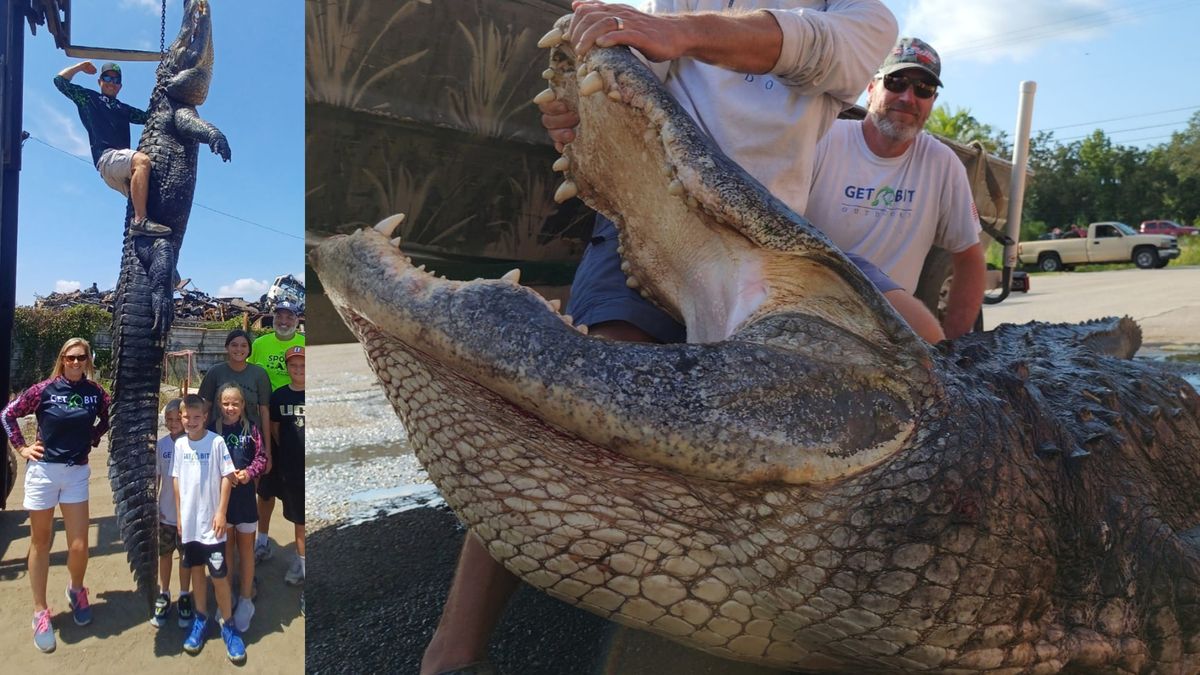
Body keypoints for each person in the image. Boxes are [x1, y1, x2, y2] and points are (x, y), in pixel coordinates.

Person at [423, 2, 898, 673]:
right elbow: (626, 75)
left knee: (770, 436)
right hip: (649, 208)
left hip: (760, 239)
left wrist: (678, 33)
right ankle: (452, 651)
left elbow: (829, 49)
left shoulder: (862, 14)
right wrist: (579, 118)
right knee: (585, 388)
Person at [806, 37, 986, 340]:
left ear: (932, 102)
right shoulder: (821, 141)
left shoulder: (942, 164)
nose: (908, 97)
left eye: (923, 89)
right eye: (897, 81)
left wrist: (957, 352)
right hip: (810, 318)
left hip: (891, 336)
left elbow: (969, 257)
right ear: (872, 88)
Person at [2, 338, 110, 653]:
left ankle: (76, 591)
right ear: (62, 359)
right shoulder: (44, 389)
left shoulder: (96, 393)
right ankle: (40, 611)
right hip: (44, 472)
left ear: (88, 360)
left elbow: (109, 416)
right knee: (41, 542)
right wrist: (22, 447)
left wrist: (94, 436)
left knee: (78, 545)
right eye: (71, 357)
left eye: (82, 357)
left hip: (76, 472)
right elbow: (8, 415)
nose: (76, 362)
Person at [54, 61, 170, 237]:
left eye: (116, 80)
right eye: (107, 78)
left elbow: (150, 117)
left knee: (153, 200)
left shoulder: (123, 109)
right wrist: (80, 67)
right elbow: (59, 81)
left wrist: (164, 90)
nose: (111, 82)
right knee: (142, 161)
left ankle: (144, 231)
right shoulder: (89, 98)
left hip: (120, 168)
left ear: (120, 86)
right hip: (107, 159)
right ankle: (139, 221)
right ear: (100, 81)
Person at [172, 394, 245, 663]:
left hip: (212, 526)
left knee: (219, 575)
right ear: (181, 418)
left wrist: (221, 512)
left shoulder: (216, 442)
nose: (191, 422)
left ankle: (229, 625)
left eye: (196, 417)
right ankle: (200, 619)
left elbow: (228, 477)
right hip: (189, 526)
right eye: (186, 417)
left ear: (205, 417)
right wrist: (179, 516)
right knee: (195, 573)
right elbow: (177, 481)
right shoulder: (179, 446)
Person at [249, 300, 305, 561]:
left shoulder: (306, 344)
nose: (283, 321)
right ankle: (262, 540)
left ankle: (302, 553)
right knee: (266, 489)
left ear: (297, 319)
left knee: (300, 491)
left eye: (289, 316)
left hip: (297, 424)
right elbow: (249, 375)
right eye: (279, 316)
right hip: (265, 423)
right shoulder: (260, 345)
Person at [210, 384, 267, 633]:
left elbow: (261, 458)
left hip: (245, 500)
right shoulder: (212, 430)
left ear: (243, 405)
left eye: (235, 403)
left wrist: (248, 473)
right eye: (225, 403)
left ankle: (245, 599)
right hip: (221, 503)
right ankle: (229, 595)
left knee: (245, 551)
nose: (230, 408)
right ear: (219, 405)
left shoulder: (252, 429)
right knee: (226, 551)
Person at [151, 398, 193, 628]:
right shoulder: (162, 445)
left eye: (178, 418)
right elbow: (157, 478)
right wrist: (154, 507)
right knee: (164, 554)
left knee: (186, 558)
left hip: (188, 517)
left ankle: (185, 594)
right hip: (166, 514)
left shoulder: (194, 443)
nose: (174, 422)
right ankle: (164, 593)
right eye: (169, 419)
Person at [268, 346, 305, 591]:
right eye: (293, 365)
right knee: (298, 518)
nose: (298, 369)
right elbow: (275, 430)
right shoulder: (279, 396)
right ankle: (301, 563)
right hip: (291, 467)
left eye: (303, 365)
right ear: (287, 367)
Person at [197, 329, 272, 432]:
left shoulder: (259, 374)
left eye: (244, 345)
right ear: (227, 347)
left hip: (250, 437)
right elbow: (205, 406)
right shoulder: (215, 372)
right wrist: (200, 435)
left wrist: (267, 446)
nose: (239, 349)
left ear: (249, 349)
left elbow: (264, 411)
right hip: (218, 434)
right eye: (234, 345)